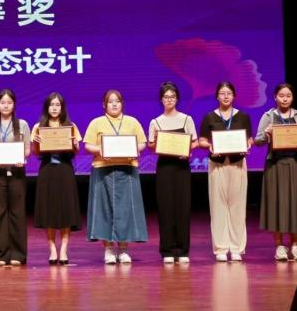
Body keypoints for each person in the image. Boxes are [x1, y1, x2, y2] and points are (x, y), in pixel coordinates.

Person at [83, 89, 147, 264]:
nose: (114, 104)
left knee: (126, 210)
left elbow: (142, 143)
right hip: (103, 170)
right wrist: (101, 150)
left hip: (127, 170)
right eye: (110, 101)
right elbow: (88, 145)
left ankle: (124, 249)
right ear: (104, 105)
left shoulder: (132, 122)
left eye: (117, 101)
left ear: (122, 104)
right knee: (104, 210)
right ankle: (109, 249)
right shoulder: (96, 123)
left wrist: (134, 149)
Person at [254, 83, 297, 261]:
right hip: (275, 165)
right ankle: (279, 245)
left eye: (288, 95)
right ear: (275, 97)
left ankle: (296, 245)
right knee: (276, 204)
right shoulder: (268, 116)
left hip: (296, 164)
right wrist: (266, 134)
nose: (285, 99)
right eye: (281, 95)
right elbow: (258, 140)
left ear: (292, 97)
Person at [198, 81, 253, 262]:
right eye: (222, 93)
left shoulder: (243, 116)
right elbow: (202, 140)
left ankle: (237, 248)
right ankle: (221, 248)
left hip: (238, 164)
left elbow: (249, 139)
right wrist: (210, 146)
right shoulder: (209, 117)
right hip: (217, 165)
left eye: (229, 93)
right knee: (218, 206)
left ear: (234, 96)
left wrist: (248, 145)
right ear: (217, 96)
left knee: (238, 206)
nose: (226, 96)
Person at [147, 82, 198, 265]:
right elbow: (151, 145)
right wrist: (157, 144)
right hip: (165, 168)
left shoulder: (186, 119)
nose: (169, 100)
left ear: (177, 99)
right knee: (166, 208)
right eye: (166, 97)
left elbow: (195, 141)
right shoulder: (155, 122)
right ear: (161, 99)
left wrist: (188, 150)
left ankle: (183, 250)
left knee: (183, 208)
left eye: (172, 97)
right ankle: (167, 250)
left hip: (182, 167)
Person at [0, 89, 31, 266]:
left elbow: (27, 149)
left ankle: (18, 254)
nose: (6, 106)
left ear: (14, 105)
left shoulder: (22, 124)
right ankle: (0, 255)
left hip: (17, 172)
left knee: (18, 212)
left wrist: (21, 157)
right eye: (3, 102)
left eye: (9, 102)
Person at [31, 92, 81, 265]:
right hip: (47, 171)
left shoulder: (71, 126)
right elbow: (35, 153)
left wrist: (74, 145)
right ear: (47, 107)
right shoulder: (38, 127)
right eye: (51, 105)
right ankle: (52, 248)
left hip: (65, 170)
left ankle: (64, 249)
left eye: (57, 105)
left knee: (66, 210)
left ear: (62, 107)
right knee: (49, 210)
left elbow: (76, 152)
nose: (54, 108)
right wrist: (36, 142)